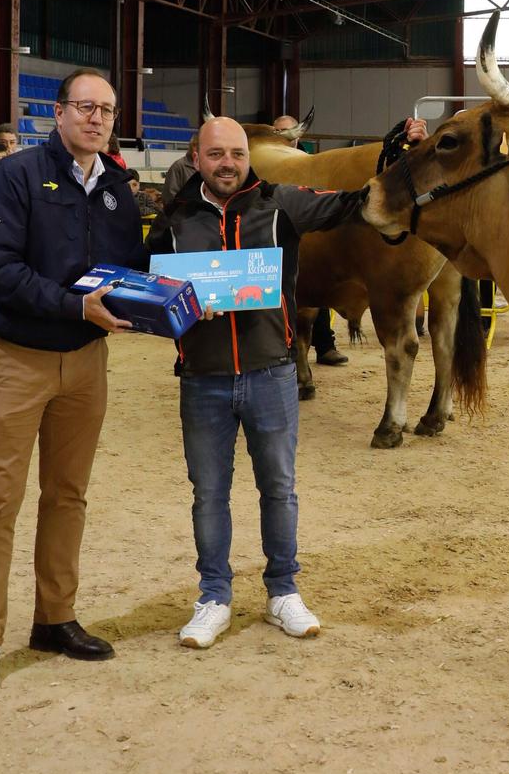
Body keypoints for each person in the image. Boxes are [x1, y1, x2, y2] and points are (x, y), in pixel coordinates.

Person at [0, 69, 145, 702]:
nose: (97, 119)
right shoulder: (8, 178)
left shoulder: (116, 188)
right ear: (57, 113)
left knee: (68, 495)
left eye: (107, 111)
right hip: (16, 359)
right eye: (85, 107)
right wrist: (74, 308)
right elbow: (0, 271)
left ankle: (54, 619)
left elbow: (133, 271)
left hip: (85, 363)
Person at [146, 116, 365, 651]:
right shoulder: (173, 220)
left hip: (272, 372)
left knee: (280, 488)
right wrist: (182, 307)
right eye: (216, 154)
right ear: (196, 158)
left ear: (249, 157)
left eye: (237, 154)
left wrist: (397, 156)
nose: (228, 164)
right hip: (202, 378)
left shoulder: (280, 203)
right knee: (209, 494)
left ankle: (283, 591)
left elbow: (347, 204)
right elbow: (147, 290)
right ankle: (214, 596)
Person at [273, 115, 347, 368]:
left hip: (311, 231)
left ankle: (326, 346)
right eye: (278, 131)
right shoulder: (269, 164)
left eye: (288, 131)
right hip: (282, 233)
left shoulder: (310, 161)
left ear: (298, 135)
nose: (283, 135)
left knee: (318, 294)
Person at [162, 135, 198, 207]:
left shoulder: (208, 166)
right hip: (185, 215)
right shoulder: (178, 166)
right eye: (194, 145)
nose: (196, 149)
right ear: (190, 147)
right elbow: (169, 197)